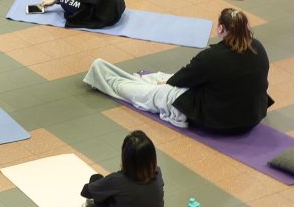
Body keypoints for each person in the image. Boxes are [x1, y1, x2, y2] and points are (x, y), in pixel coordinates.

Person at [83, 8, 272, 134]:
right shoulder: (259, 47)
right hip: (251, 117)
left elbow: (185, 77)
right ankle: (140, 79)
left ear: (221, 28)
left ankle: (106, 77)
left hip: (221, 122)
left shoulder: (212, 57)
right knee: (161, 78)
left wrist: (167, 84)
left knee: (157, 92)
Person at [80, 130, 165, 207]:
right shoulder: (158, 174)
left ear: (125, 157)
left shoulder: (117, 180)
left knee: (96, 179)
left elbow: (86, 191)